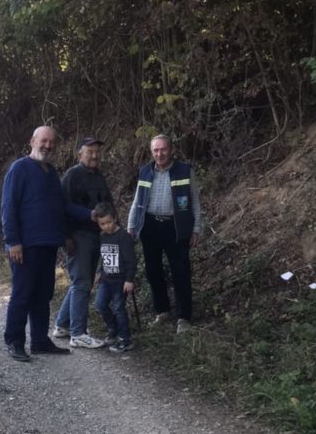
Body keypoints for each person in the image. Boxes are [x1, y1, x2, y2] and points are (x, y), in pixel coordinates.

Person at [1, 125, 71, 362]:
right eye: (44, 141)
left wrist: (65, 235)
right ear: (32, 141)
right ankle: (14, 341)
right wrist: (13, 241)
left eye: (52, 142)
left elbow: (59, 207)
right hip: (25, 247)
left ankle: (40, 341)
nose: (48, 146)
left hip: (48, 244)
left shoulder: (51, 173)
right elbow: (8, 207)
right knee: (22, 295)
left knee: (43, 295)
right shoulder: (19, 168)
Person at [127, 134, 203, 333]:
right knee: (153, 271)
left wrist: (196, 228)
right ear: (151, 152)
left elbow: (195, 201)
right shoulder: (145, 171)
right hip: (150, 226)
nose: (159, 154)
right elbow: (137, 201)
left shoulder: (185, 170)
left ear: (171, 150)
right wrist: (131, 226)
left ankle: (184, 317)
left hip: (175, 227)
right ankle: (162, 311)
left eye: (163, 149)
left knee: (181, 272)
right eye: (156, 150)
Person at [53, 136, 114, 349]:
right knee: (82, 283)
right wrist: (66, 236)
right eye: (90, 152)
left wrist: (114, 228)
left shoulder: (99, 176)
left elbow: (108, 204)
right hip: (78, 236)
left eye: (97, 151)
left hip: (97, 235)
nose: (94, 155)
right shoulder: (72, 175)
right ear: (80, 154)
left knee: (82, 282)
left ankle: (62, 325)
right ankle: (78, 333)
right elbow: (62, 207)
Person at [93, 202, 137, 353]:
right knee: (100, 304)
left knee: (119, 308)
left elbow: (131, 260)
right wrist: (100, 271)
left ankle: (125, 339)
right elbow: (103, 256)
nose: (106, 226)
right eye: (102, 224)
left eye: (109, 222)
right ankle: (113, 328)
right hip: (106, 280)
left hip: (120, 281)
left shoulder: (124, 237)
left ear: (115, 218)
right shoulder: (102, 236)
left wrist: (129, 279)